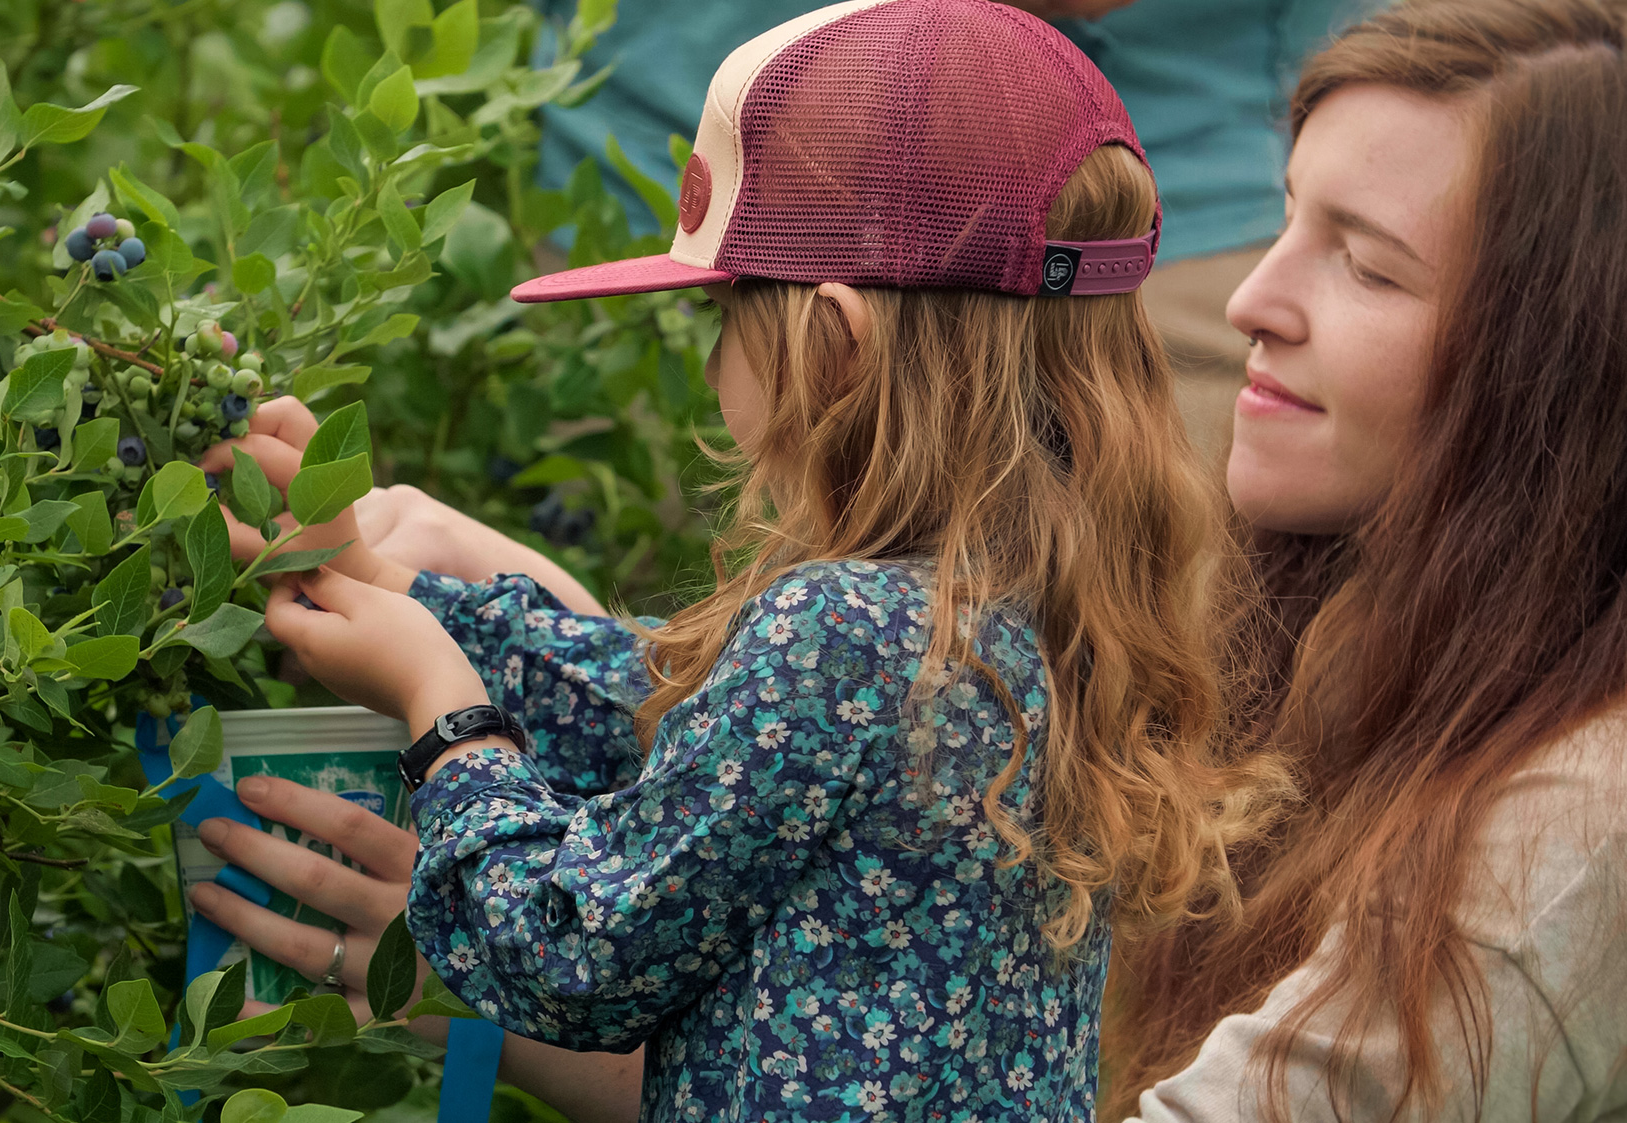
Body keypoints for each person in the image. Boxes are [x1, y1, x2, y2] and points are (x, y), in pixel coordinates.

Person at [193, 2, 1280, 1119]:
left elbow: (568, 954)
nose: (712, 357)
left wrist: (443, 711)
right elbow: (728, 747)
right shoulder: (1037, 611)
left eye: (721, 312)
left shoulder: (838, 628)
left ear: (833, 342)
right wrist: (409, 595)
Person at [1103, 1, 1627, 1118]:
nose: (1251, 301)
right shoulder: (1368, 633)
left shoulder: (1575, 823)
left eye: (1368, 270)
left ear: (1562, 366)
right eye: (1288, 216)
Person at [534, 0, 1373, 457]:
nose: (711, 370)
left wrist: (457, 723)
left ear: (840, 343)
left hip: (1174, 196)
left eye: (721, 330)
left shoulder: (820, 640)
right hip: (625, 148)